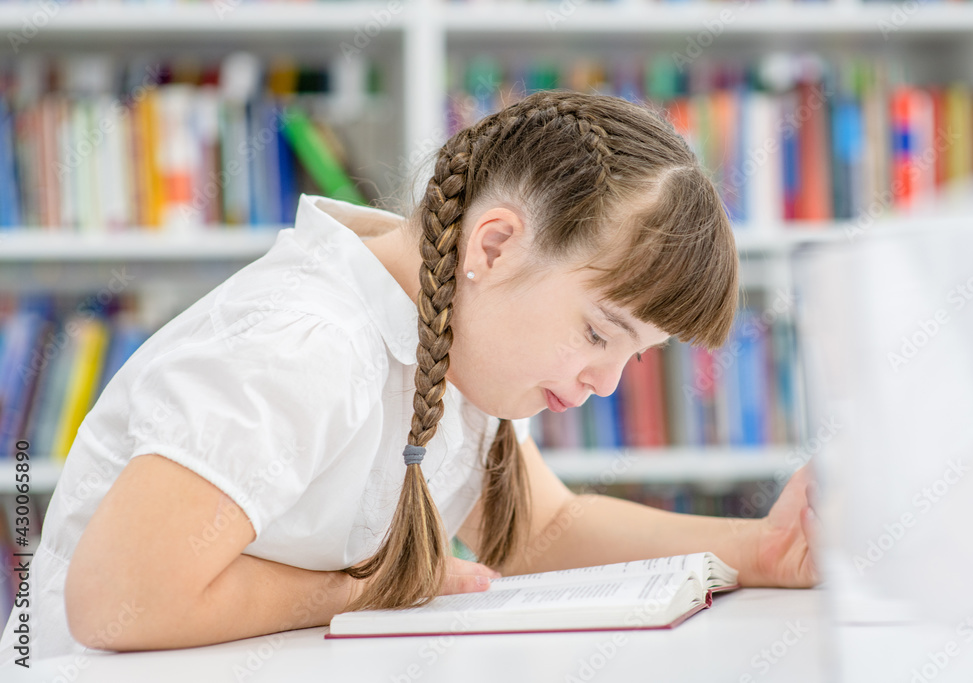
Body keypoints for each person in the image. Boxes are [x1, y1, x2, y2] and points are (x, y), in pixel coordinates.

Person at [0, 89, 819, 665]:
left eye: (636, 356)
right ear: (492, 247)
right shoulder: (308, 342)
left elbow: (541, 530)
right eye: (601, 332)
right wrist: (371, 588)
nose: (606, 381)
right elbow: (120, 601)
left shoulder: (463, 342)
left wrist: (765, 551)